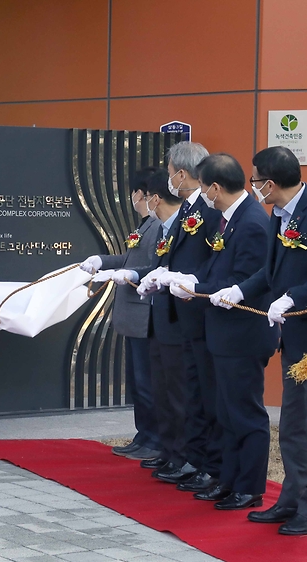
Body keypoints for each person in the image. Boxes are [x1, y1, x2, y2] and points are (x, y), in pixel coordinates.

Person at [214, 147, 307, 534]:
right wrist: (240, 290)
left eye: (256, 180)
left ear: (269, 183)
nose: (254, 187)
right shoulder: (278, 213)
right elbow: (269, 271)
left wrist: (295, 297)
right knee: (291, 427)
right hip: (293, 338)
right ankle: (290, 499)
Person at [169, 153, 278, 510]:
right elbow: (216, 266)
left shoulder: (251, 223)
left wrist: (196, 288)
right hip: (222, 332)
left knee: (244, 412)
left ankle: (248, 486)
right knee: (226, 411)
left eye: (203, 187)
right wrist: (191, 280)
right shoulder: (228, 219)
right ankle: (228, 478)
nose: (201, 194)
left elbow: (244, 281)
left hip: (243, 334)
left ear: (215, 187)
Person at [136, 142, 223, 490]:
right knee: (171, 391)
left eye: (170, 172)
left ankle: (194, 458)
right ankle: (178, 453)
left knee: (191, 396)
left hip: (194, 313)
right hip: (173, 312)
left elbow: (208, 260)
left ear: (182, 174)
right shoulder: (190, 208)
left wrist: (180, 278)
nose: (168, 179)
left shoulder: (208, 210)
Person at [80, 166, 162, 461]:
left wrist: (124, 271)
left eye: (134, 193)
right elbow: (128, 258)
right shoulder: (144, 226)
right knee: (138, 383)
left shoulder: (158, 226)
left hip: (144, 317)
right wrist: (101, 261)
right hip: (132, 318)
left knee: (147, 382)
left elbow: (150, 267)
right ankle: (144, 435)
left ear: (141, 194)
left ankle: (155, 439)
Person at [128, 170, 189, 481]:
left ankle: (183, 457)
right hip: (159, 320)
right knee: (163, 392)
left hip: (178, 323)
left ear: (152, 198)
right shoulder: (165, 227)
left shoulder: (180, 224)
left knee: (177, 396)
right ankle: (169, 452)